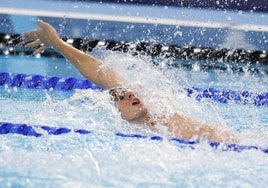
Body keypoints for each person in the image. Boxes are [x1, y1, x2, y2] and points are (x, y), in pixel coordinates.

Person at [23, 20, 236, 143]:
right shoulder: (133, 134)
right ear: (116, 112)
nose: (131, 94)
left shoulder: (160, 113)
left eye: (129, 92)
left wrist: (59, 44)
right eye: (122, 97)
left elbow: (99, 72)